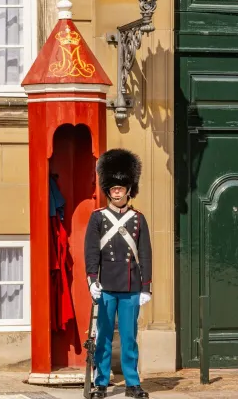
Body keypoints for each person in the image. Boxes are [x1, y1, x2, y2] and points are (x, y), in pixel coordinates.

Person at [85, 148, 153, 399]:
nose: (117, 191)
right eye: (113, 187)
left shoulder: (138, 218)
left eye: (121, 187)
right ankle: (101, 381)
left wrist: (146, 287)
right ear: (108, 190)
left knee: (128, 338)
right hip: (105, 287)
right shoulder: (98, 218)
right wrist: (92, 280)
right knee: (103, 337)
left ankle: (132, 383)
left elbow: (145, 253)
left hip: (131, 287)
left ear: (128, 190)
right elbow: (92, 252)